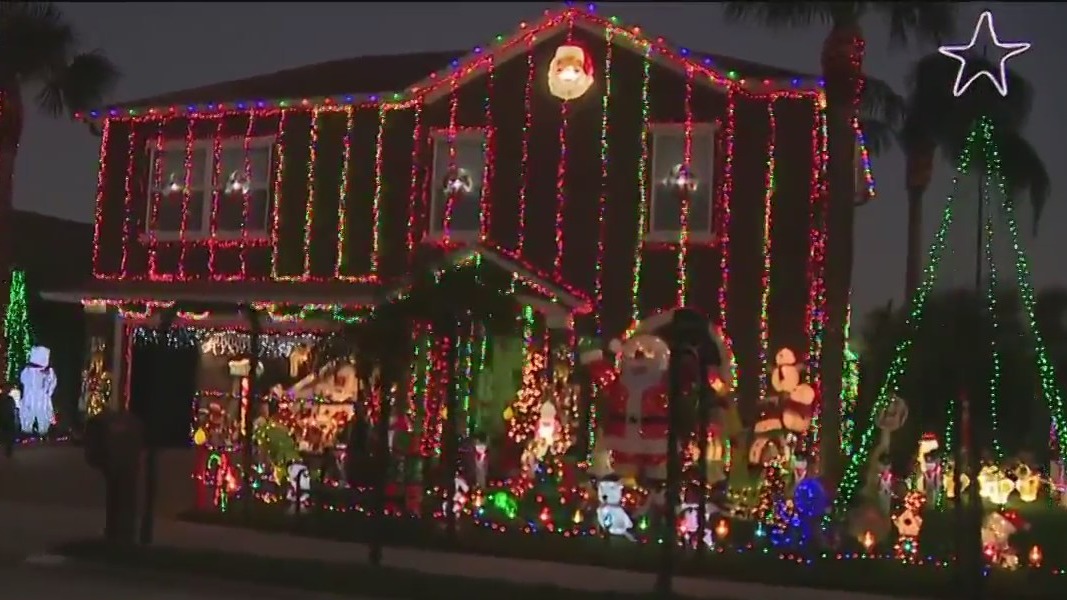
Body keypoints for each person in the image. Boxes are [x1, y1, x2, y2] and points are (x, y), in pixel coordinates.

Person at [0, 386, 18, 457]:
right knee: (8, 435)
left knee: (8, 435)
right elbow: (13, 407)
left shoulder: (9, 399)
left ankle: (8, 450)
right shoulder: (8, 399)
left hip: (7, 419)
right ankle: (8, 450)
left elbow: (13, 407)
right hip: (6, 419)